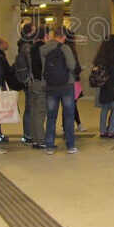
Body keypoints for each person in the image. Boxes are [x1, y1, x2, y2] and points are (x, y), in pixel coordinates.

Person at [39, 25, 78, 153]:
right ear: (64, 36)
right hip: (66, 85)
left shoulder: (43, 49)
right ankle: (70, 145)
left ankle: (49, 146)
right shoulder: (65, 48)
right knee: (68, 115)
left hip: (50, 86)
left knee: (51, 116)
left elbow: (44, 67)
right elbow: (72, 65)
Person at [15, 20, 45, 146]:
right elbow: (31, 65)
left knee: (31, 108)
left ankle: (30, 134)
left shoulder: (23, 45)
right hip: (31, 81)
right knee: (32, 108)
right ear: (29, 33)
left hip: (28, 80)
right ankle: (29, 135)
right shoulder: (28, 47)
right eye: (33, 30)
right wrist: (33, 79)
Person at [91, 33, 114, 138]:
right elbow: (113, 73)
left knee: (105, 108)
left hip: (103, 86)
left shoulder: (100, 56)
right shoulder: (112, 56)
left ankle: (102, 131)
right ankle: (111, 131)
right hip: (112, 86)